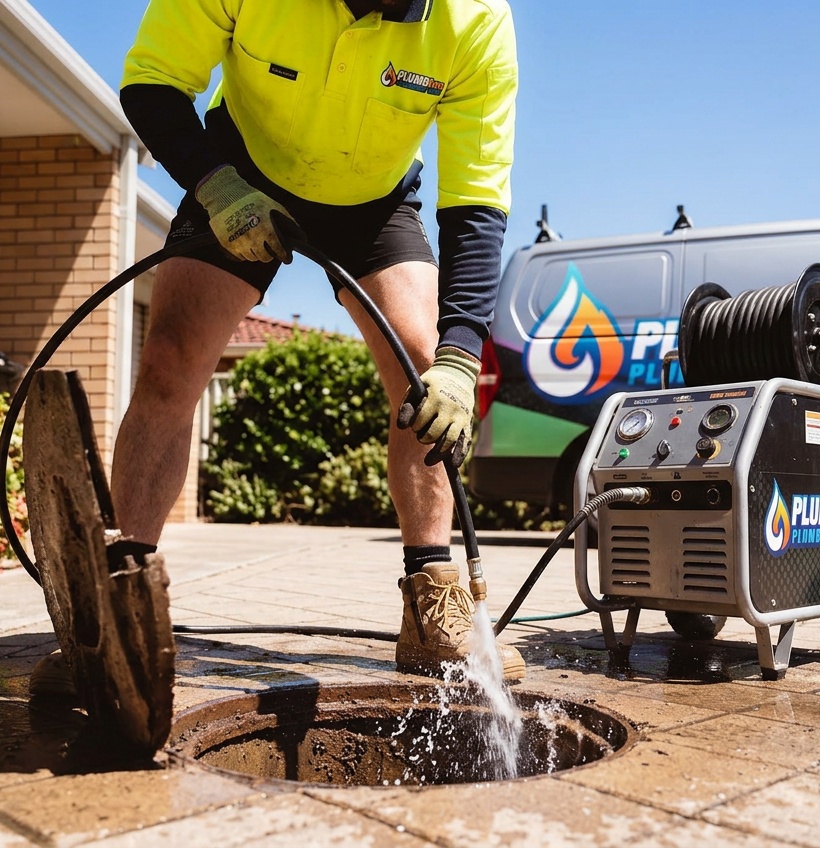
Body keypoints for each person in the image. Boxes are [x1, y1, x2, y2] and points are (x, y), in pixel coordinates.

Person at [29, 0, 522, 697]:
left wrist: (460, 357)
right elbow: (152, 81)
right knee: (170, 353)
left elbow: (477, 200)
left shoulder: (476, 19)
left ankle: (433, 604)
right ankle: (121, 601)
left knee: (422, 370)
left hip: (374, 202)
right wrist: (216, 186)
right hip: (239, 173)